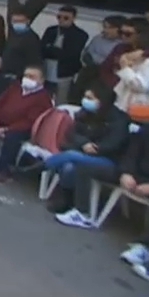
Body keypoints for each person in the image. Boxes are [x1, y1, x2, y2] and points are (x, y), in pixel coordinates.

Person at [44, 83, 126, 213]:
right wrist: (84, 143)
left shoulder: (119, 120)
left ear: (102, 100)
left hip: (108, 161)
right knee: (69, 166)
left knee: (71, 156)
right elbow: (71, 133)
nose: (86, 100)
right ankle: (67, 202)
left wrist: (97, 148)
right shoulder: (85, 113)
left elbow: (115, 143)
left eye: (90, 98)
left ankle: (45, 164)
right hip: (83, 153)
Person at [0, 65, 54, 183]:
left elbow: (29, 121)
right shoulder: (16, 87)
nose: (27, 79)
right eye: (26, 76)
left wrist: (6, 129)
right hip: (2, 121)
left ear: (41, 80)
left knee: (12, 138)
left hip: (23, 128)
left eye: (32, 77)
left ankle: (3, 171)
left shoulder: (43, 98)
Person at [40, 5, 89, 105]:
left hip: (64, 74)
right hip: (46, 71)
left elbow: (71, 54)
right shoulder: (51, 30)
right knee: (42, 100)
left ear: (73, 18)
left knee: (61, 102)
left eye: (66, 18)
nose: (61, 20)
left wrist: (51, 49)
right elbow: (42, 49)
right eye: (59, 17)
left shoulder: (80, 35)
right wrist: (57, 51)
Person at [0, 8, 42, 78]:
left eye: (21, 21)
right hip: (7, 73)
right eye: (15, 21)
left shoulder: (31, 38)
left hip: (19, 75)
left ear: (28, 21)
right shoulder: (13, 34)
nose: (17, 23)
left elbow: (33, 60)